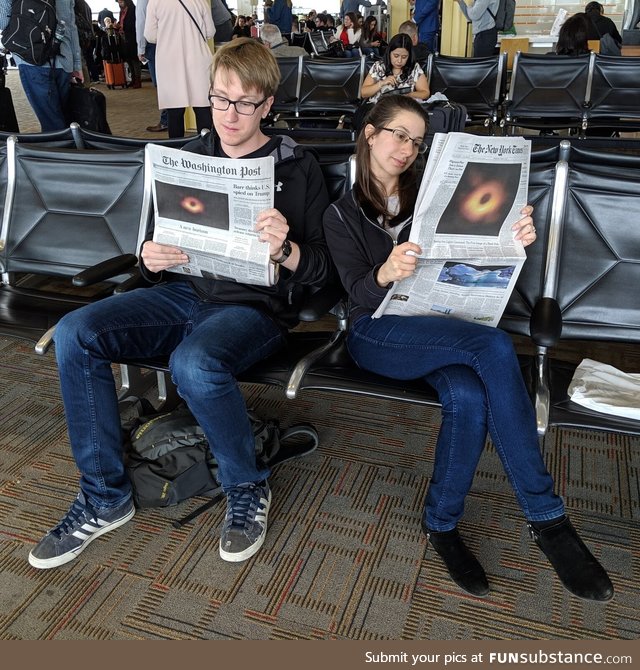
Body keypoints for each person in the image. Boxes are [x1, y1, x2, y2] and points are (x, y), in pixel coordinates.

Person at [27, 37, 333, 571]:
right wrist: (149, 256)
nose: (229, 115)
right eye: (219, 99)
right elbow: (148, 258)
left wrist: (286, 249)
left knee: (195, 364)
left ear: (267, 105)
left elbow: (322, 272)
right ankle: (105, 496)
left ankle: (246, 484)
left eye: (244, 103)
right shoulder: (187, 159)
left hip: (252, 308)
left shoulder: (295, 166)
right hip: (180, 292)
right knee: (76, 332)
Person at [322, 94, 615, 602]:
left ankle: (441, 523)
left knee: (470, 395)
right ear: (370, 134)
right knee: (494, 348)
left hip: (439, 324)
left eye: (416, 141)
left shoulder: (432, 195)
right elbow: (353, 294)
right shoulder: (341, 214)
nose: (407, 149)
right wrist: (384, 274)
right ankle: (547, 519)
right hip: (377, 332)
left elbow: (472, 251)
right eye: (398, 135)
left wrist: (512, 236)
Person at [0, 0, 83, 131]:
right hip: (63, 59)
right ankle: (71, 146)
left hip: (32, 58)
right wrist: (77, 65)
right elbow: (71, 26)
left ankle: (59, 149)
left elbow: (3, 21)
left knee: (52, 123)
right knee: (65, 119)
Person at [145, 0, 214, 138]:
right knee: (202, 109)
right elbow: (210, 31)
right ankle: (207, 148)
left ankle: (177, 150)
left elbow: (150, 35)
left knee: (174, 112)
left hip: (170, 61)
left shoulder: (155, 2)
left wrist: (167, 35)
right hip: (198, 59)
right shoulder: (199, 1)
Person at [360, 33, 430, 104]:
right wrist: (381, 84)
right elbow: (364, 93)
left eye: (404, 57)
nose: (399, 61)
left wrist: (408, 95)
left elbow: (425, 93)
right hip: (379, 109)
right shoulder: (379, 66)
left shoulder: (414, 68)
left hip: (403, 109)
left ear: (410, 56)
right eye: (396, 56)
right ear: (389, 53)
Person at [136, 0, 168, 132]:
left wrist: (140, 48)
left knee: (161, 86)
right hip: (168, 41)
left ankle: (166, 120)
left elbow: (142, 22)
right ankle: (170, 118)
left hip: (153, 43)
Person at [115, 0, 141, 88]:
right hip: (124, 37)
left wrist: (122, 27)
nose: (120, 4)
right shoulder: (121, 11)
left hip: (132, 37)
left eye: (121, 2)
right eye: (118, 2)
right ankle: (133, 79)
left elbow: (133, 24)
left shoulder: (133, 10)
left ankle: (137, 80)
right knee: (128, 59)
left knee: (134, 59)